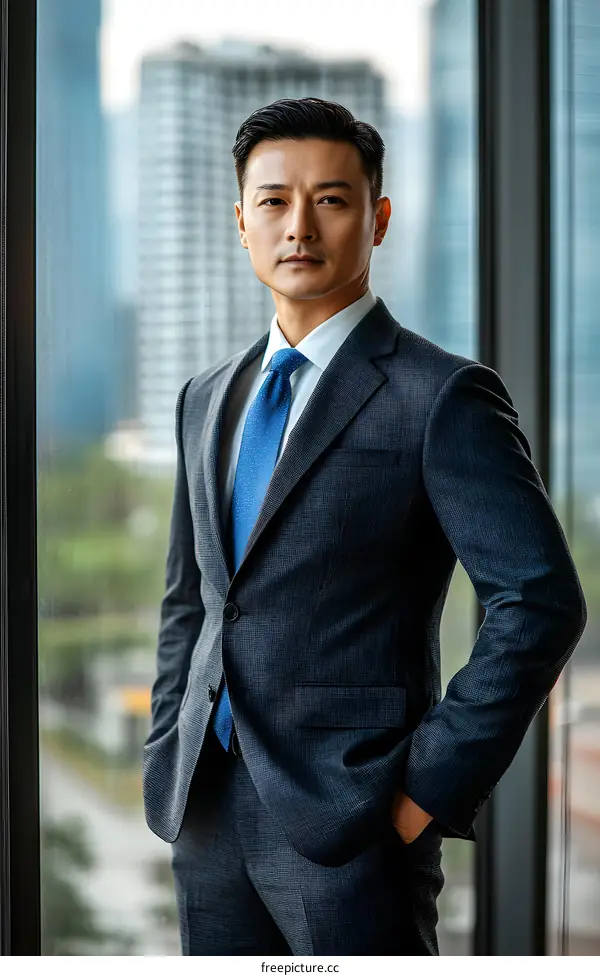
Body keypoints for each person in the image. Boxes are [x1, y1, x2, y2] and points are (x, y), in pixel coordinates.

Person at [142, 97, 586, 955]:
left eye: (332, 200)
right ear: (241, 222)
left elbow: (539, 602)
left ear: (377, 220)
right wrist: (169, 742)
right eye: (273, 201)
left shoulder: (440, 395)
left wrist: (424, 789)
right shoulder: (206, 397)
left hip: (357, 819)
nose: (299, 225)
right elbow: (192, 602)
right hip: (203, 807)